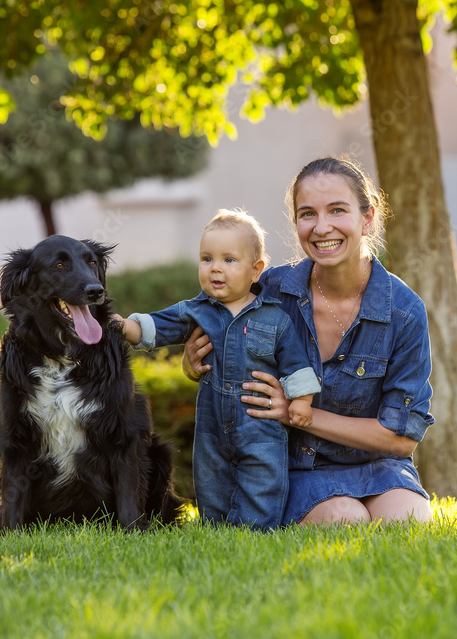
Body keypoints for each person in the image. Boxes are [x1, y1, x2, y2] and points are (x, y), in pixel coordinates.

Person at [182, 157, 434, 526]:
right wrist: (193, 363)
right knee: (345, 518)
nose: (321, 227)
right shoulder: (266, 291)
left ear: (367, 218)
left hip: (376, 465)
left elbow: (400, 440)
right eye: (307, 214)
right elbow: (213, 348)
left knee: (410, 521)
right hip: (290, 467)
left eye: (337, 210)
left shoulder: (405, 311)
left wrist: (301, 414)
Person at [118, 208, 321, 530]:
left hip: (260, 430)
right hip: (211, 428)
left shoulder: (275, 319)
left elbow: (295, 364)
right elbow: (160, 325)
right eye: (206, 259)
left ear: (256, 271)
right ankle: (218, 532)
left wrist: (302, 401)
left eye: (229, 260)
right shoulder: (196, 311)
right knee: (212, 481)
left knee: (262, 483)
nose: (216, 268)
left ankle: (256, 534)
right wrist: (125, 326)